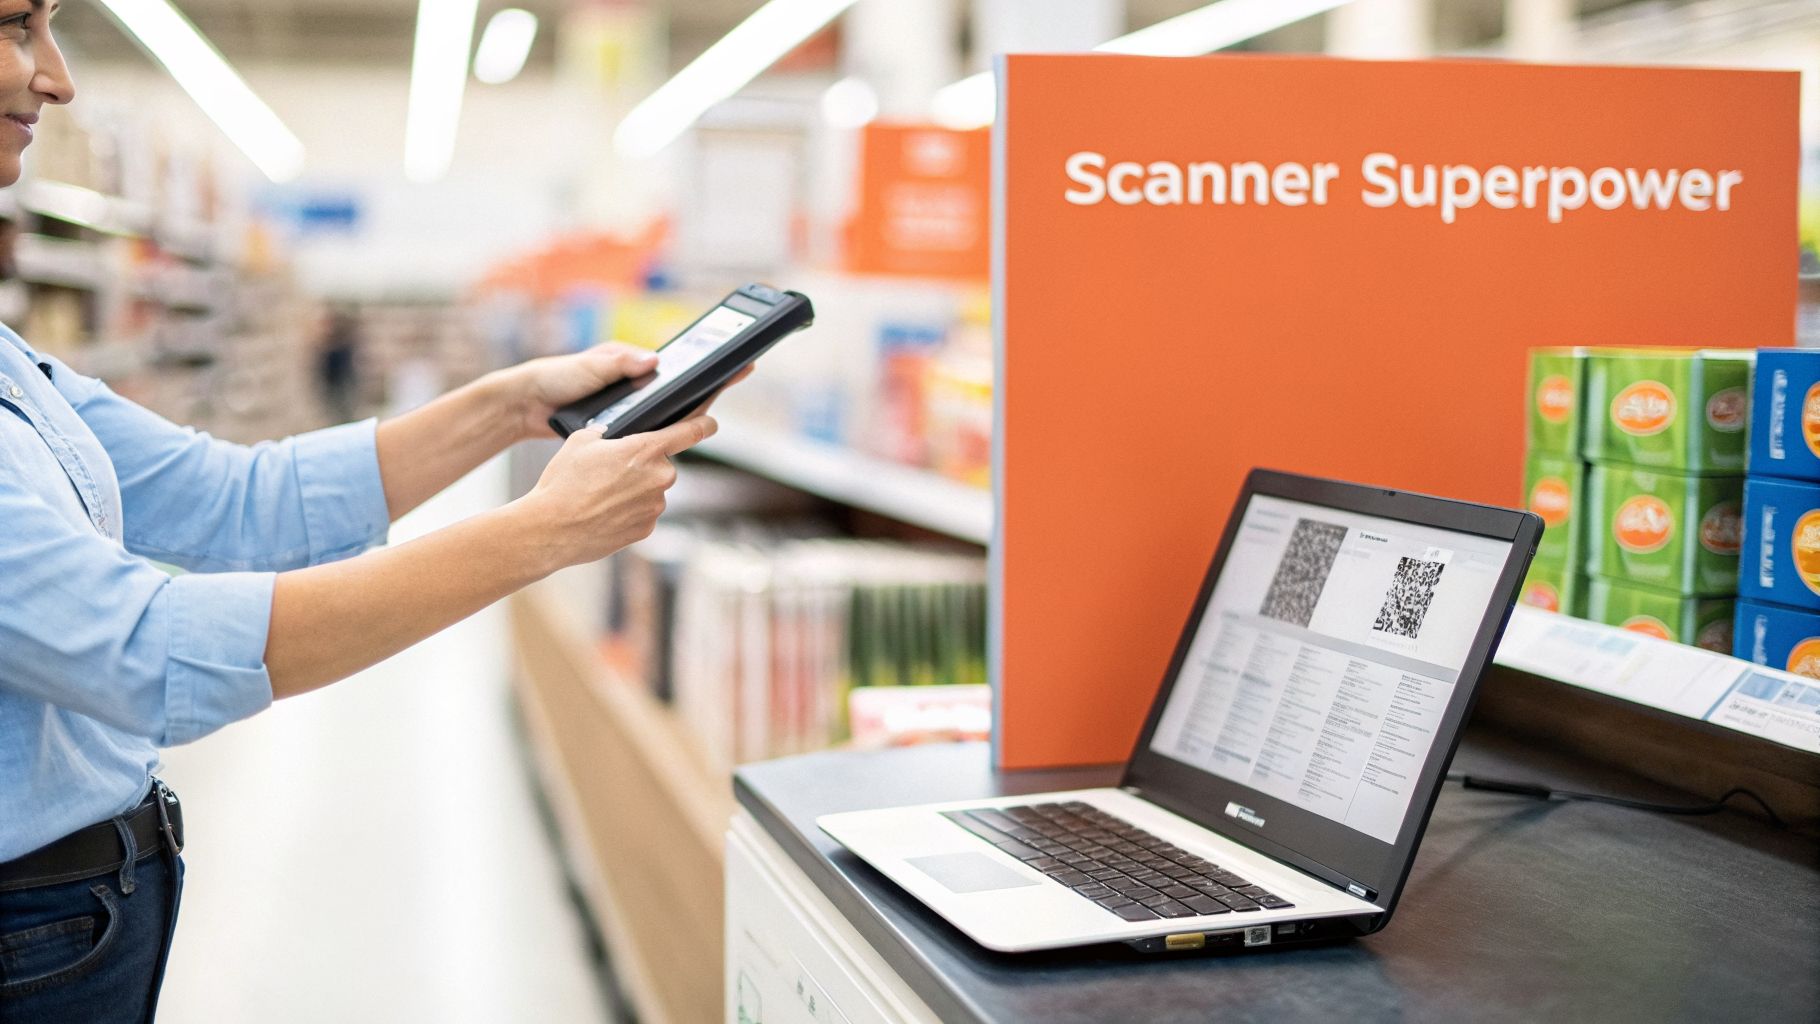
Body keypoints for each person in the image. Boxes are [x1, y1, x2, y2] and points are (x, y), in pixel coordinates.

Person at [0, 5, 730, 1020]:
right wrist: (538, 533)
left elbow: (230, 500)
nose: (56, 76)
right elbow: (151, 651)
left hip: (78, 919)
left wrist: (509, 405)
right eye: (14, 26)